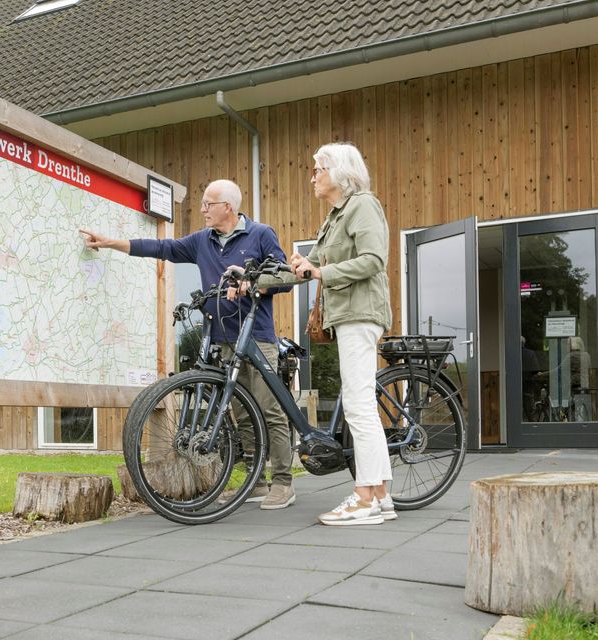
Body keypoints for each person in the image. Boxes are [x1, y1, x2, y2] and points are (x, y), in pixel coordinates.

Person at [80, 179, 296, 510]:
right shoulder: (201, 241)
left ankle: (283, 482)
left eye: (208, 203)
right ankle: (258, 481)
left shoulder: (260, 234)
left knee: (270, 410)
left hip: (256, 337)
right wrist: (112, 243)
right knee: (242, 411)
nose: (203, 209)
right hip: (222, 339)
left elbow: (283, 277)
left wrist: (252, 283)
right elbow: (162, 249)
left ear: (227, 206)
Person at [242, 142, 393, 525]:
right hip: (345, 316)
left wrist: (322, 272)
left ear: (339, 172)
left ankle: (365, 498)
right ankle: (381, 496)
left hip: (361, 313)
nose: (312, 177)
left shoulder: (362, 205)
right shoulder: (334, 218)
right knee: (360, 406)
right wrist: (253, 280)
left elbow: (374, 260)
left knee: (359, 407)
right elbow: (303, 270)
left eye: (317, 170)